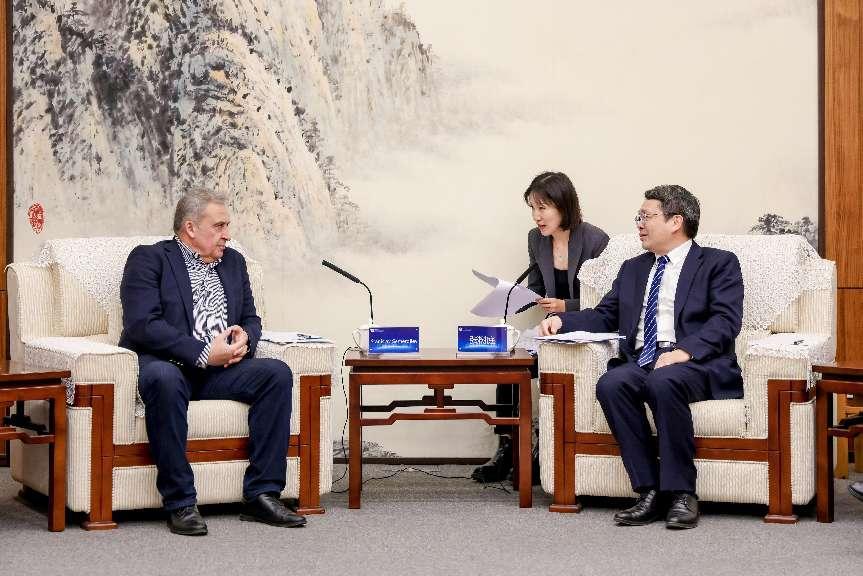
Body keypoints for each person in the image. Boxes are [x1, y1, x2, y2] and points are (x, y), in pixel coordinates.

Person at [539, 185, 744, 529]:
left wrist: (682, 351)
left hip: (695, 363)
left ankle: (681, 493)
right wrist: (563, 321)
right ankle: (649, 490)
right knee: (612, 383)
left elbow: (726, 320)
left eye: (646, 216)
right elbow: (606, 315)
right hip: (644, 360)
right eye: (639, 217)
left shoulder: (718, 263)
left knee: (664, 381)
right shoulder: (633, 268)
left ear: (676, 221)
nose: (639, 224)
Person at [119, 189, 306, 535]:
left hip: (221, 371)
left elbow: (251, 318)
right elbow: (142, 324)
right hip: (171, 366)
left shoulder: (234, 263)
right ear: (190, 228)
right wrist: (203, 353)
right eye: (219, 226)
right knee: (163, 377)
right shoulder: (149, 259)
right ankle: (180, 502)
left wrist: (246, 337)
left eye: (227, 226)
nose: (227, 234)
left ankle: (262, 494)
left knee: (276, 373)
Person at [472, 171, 609, 484]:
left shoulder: (596, 240)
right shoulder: (536, 239)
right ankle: (507, 449)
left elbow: (604, 303)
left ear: (563, 205)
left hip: (583, 330)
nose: (536, 216)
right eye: (532, 208)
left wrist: (565, 307)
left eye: (542, 208)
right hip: (550, 327)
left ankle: (540, 453)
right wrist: (511, 298)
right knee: (508, 367)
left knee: (542, 370)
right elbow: (536, 286)